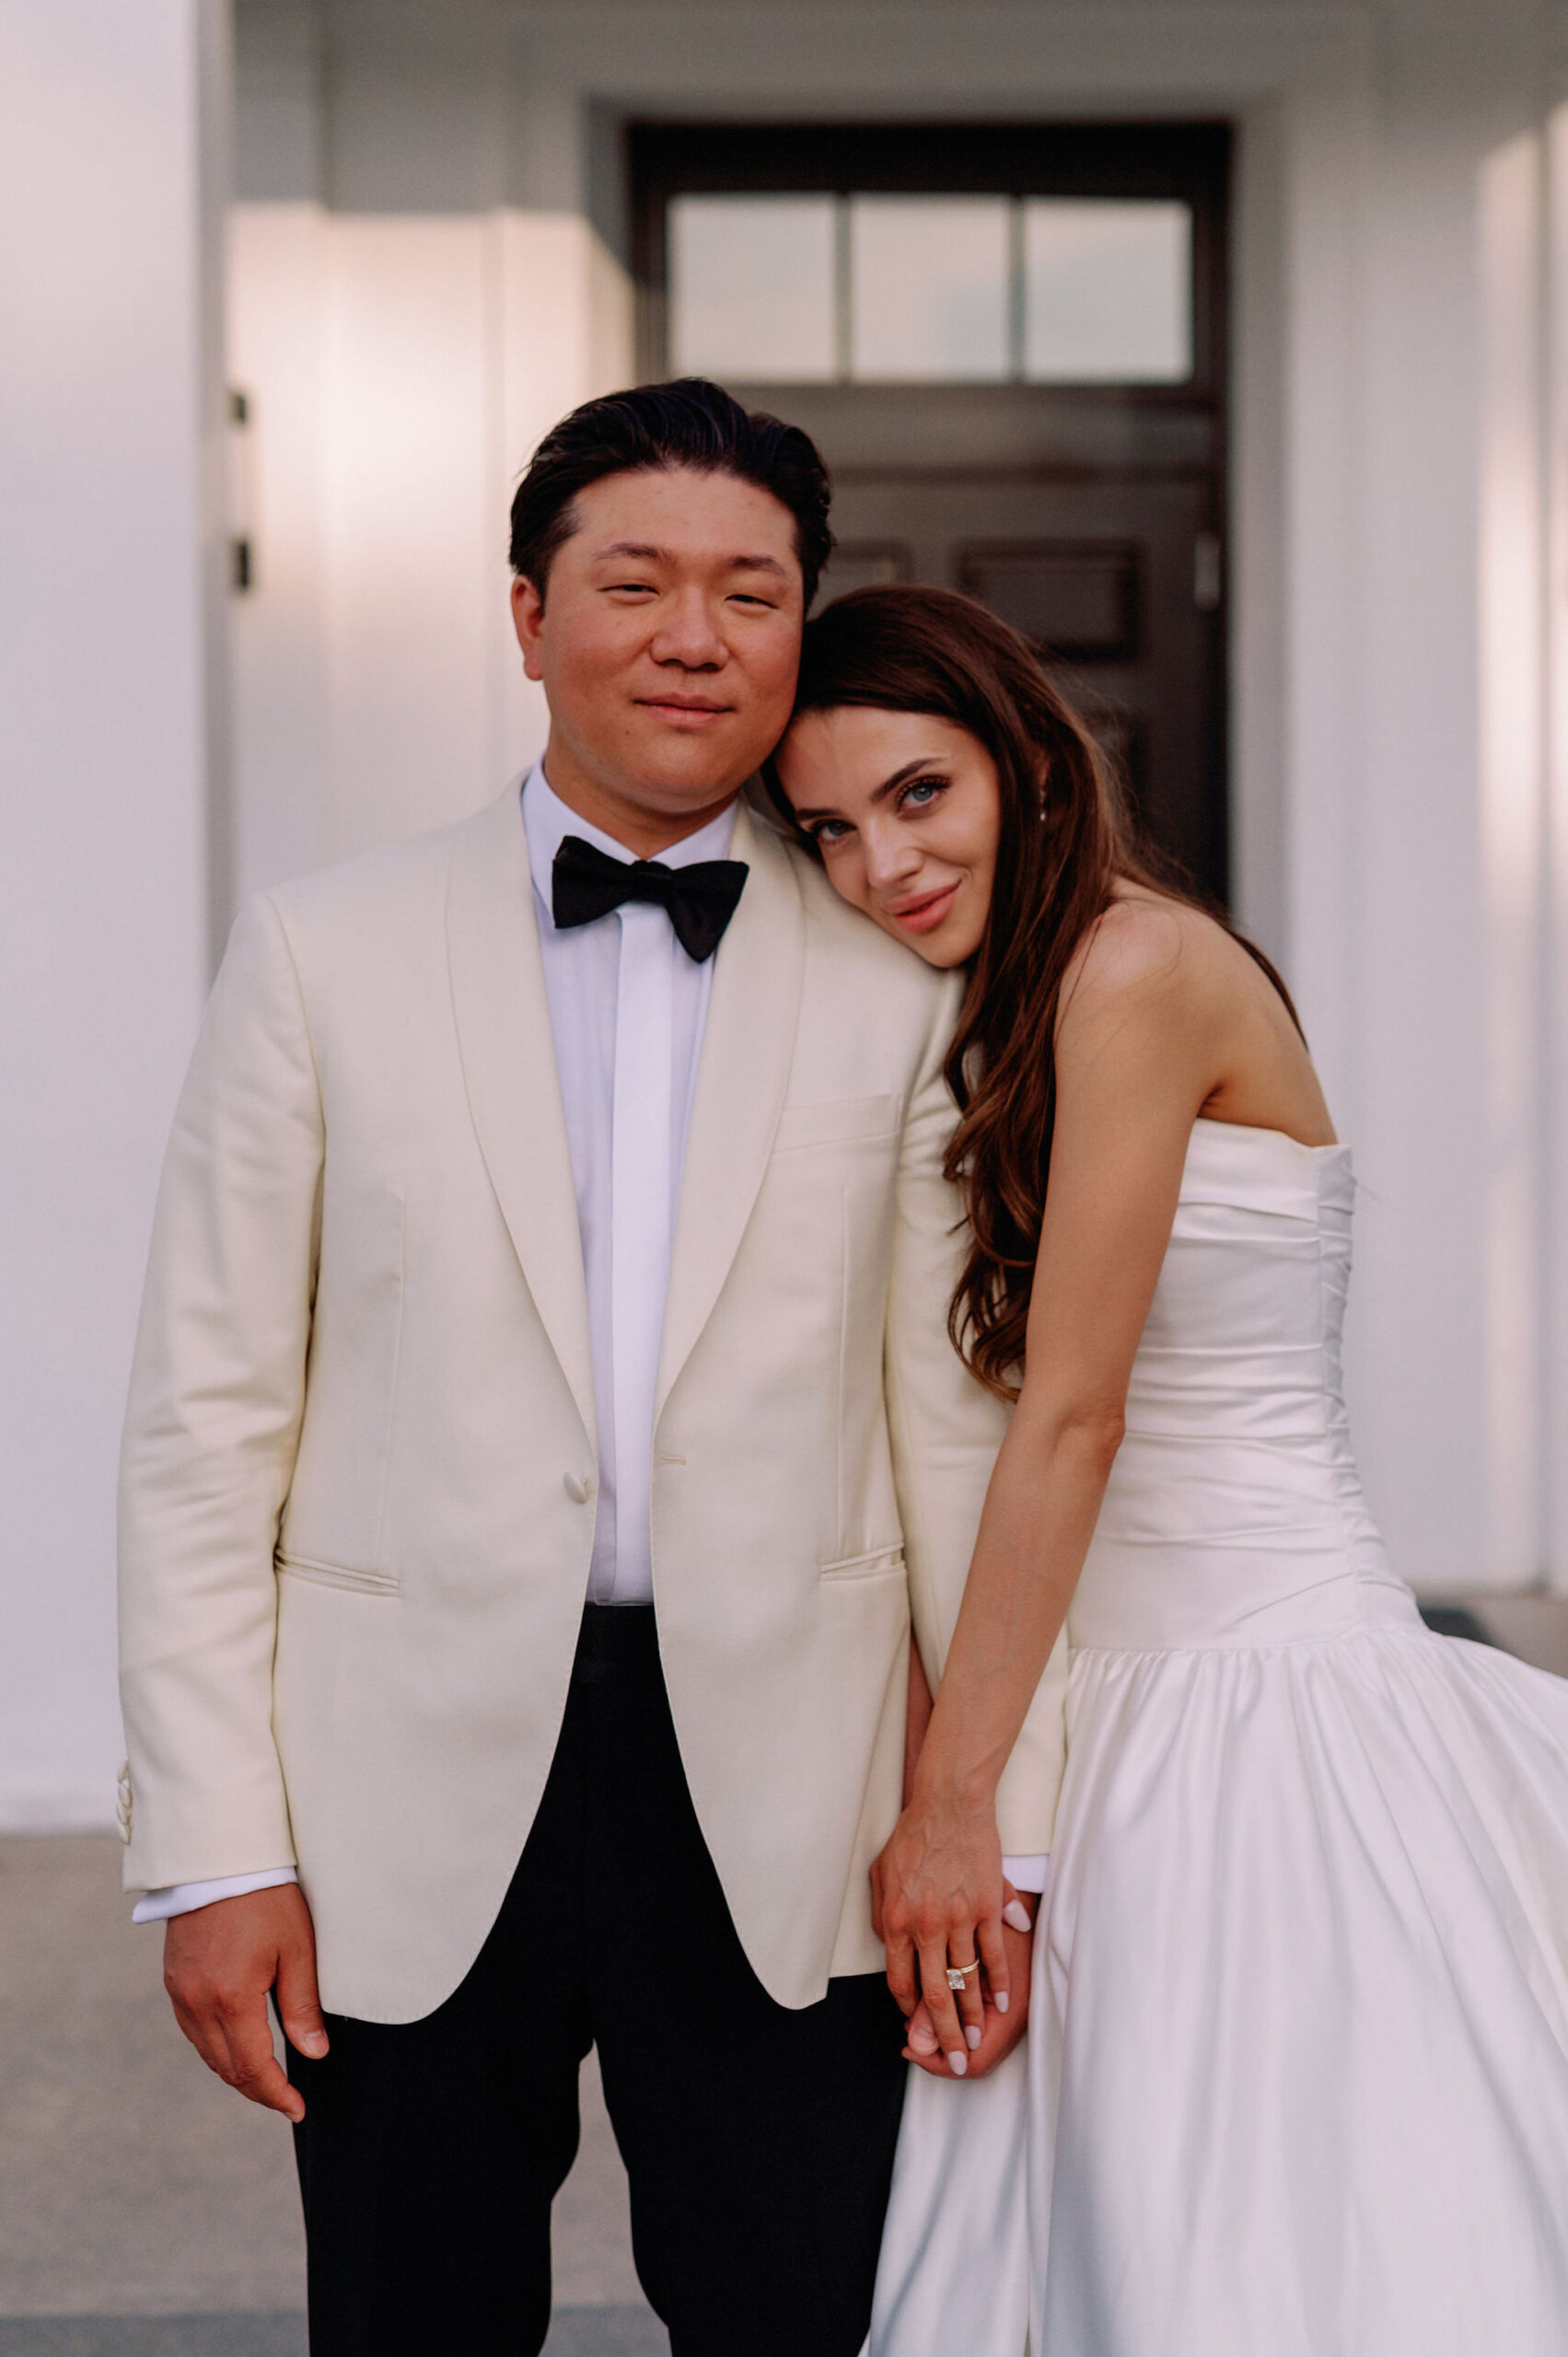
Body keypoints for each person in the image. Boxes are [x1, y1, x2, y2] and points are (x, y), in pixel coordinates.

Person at [116, 383, 1067, 2357]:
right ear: (531, 614)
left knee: (802, 2309)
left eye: (750, 589)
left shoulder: (909, 983)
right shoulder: (319, 951)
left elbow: (961, 1444)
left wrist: (997, 1822)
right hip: (400, 1785)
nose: (693, 633)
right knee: (409, 2315)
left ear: (804, 625)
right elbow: (205, 1430)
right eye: (634, 581)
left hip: (796, 1800)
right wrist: (214, 1846)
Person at [770, 581, 1568, 2357]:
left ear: (1030, 766)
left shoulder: (1139, 970)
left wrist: (951, 1807)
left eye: (919, 795)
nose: (880, 865)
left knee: (1274, 2237)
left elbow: (1072, 1416)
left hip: (1255, 1696)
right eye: (827, 829)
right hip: (1093, 1693)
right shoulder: (991, 999)